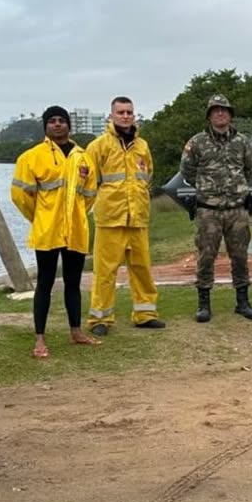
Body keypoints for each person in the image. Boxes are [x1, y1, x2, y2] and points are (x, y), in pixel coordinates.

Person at [10, 105, 100, 358]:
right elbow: (20, 195)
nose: (58, 124)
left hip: (76, 229)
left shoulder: (83, 157)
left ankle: (76, 331)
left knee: (73, 282)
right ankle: (40, 338)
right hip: (47, 229)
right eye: (52, 121)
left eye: (62, 120)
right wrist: (39, 216)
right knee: (45, 283)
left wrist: (78, 215)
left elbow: (90, 194)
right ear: (46, 126)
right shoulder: (32, 157)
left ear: (69, 125)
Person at [86, 96, 165, 334]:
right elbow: (88, 181)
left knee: (142, 269)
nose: (126, 116)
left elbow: (147, 176)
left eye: (129, 112)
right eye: (120, 112)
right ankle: (100, 319)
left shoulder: (142, 146)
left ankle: (145, 314)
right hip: (110, 219)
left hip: (138, 218)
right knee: (105, 272)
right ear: (111, 115)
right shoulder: (98, 146)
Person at [179, 94, 252, 323]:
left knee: (240, 256)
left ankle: (242, 301)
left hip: (237, 210)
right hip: (208, 210)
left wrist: (235, 188)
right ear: (209, 116)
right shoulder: (197, 142)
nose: (220, 113)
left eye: (224, 110)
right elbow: (187, 171)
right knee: (206, 256)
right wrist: (207, 188)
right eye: (215, 110)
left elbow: (250, 169)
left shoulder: (242, 142)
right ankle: (204, 304)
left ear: (230, 115)